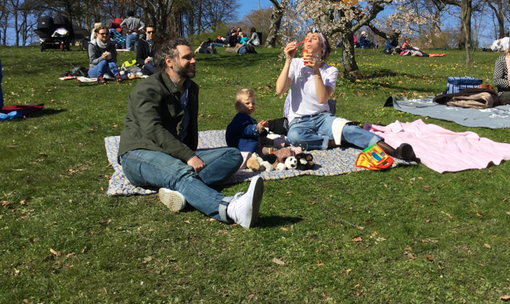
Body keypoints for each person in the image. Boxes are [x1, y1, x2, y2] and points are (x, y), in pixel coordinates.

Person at [118, 37, 263, 228]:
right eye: (187, 57)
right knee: (181, 171)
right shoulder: (148, 88)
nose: (194, 61)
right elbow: (152, 129)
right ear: (169, 61)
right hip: (139, 153)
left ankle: (182, 192)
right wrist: (188, 156)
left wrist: (189, 153)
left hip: (172, 154)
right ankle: (232, 209)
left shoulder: (191, 89)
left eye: (193, 56)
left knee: (232, 155)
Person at [275, 29, 418, 161]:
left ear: (322, 48)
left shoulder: (330, 70)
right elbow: (280, 90)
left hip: (322, 117)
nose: (308, 40)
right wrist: (288, 59)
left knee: (349, 129)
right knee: (294, 137)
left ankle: (396, 152)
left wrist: (316, 70)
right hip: (299, 121)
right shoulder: (295, 63)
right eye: (306, 38)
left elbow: (322, 98)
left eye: (314, 38)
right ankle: (337, 141)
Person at [226, 88, 269, 154]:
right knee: (269, 150)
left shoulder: (246, 117)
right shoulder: (241, 119)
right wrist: (258, 128)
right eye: (247, 103)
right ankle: (276, 152)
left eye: (253, 103)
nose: (251, 105)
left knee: (264, 141)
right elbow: (247, 130)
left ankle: (275, 143)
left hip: (250, 143)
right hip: (245, 148)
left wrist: (262, 130)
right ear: (238, 105)